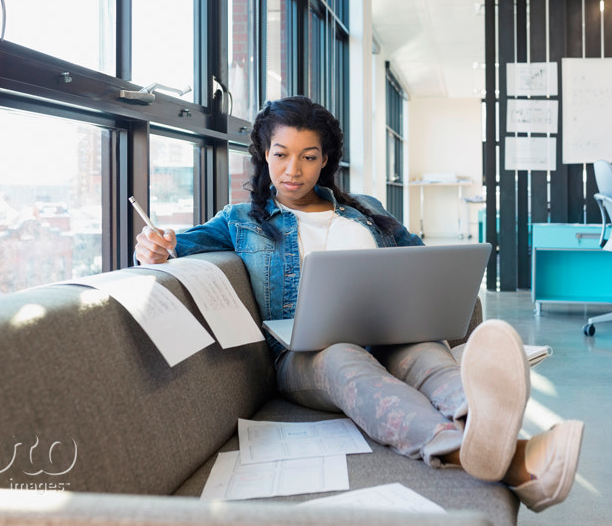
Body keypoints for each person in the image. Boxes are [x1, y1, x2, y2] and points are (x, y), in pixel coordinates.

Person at [134, 96, 584, 511]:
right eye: (281, 154)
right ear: (263, 154)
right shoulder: (242, 219)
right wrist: (155, 246)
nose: (293, 169)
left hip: (390, 335)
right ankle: (489, 452)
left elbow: (424, 260)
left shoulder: (365, 209)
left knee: (426, 352)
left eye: (308, 157)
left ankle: (479, 414)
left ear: (325, 160)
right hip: (306, 357)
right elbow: (175, 245)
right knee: (342, 357)